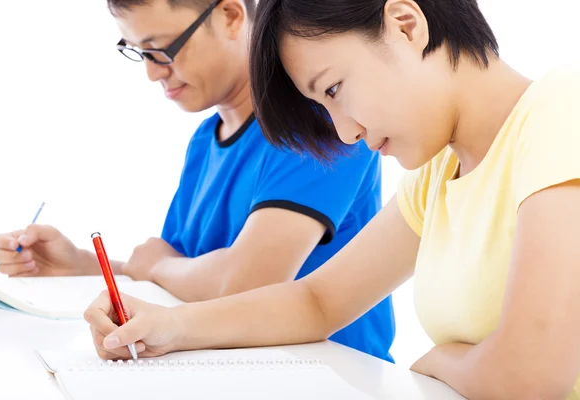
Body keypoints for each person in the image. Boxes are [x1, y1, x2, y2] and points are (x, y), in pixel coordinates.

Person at [83, 0, 580, 398]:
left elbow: (527, 379)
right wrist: (167, 327)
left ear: (405, 25)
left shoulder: (563, 107)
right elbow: (316, 301)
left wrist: (441, 360)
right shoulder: (438, 173)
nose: (344, 133)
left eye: (335, 88)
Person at [0, 0, 396, 362]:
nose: (152, 72)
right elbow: (184, 275)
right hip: (223, 367)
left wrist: (159, 267)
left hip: (330, 375)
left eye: (162, 49)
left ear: (230, 16)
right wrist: (80, 265)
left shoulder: (322, 125)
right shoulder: (206, 141)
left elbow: (243, 282)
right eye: (139, 53)